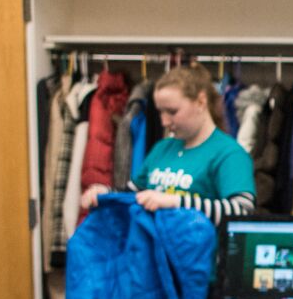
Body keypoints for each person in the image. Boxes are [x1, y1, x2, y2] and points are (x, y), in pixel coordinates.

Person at [81, 65, 255, 222]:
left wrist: (175, 202)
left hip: (199, 256)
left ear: (201, 102)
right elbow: (132, 194)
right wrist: (106, 194)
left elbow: (241, 211)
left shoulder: (229, 154)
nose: (164, 122)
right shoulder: (162, 148)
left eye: (172, 112)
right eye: (160, 112)